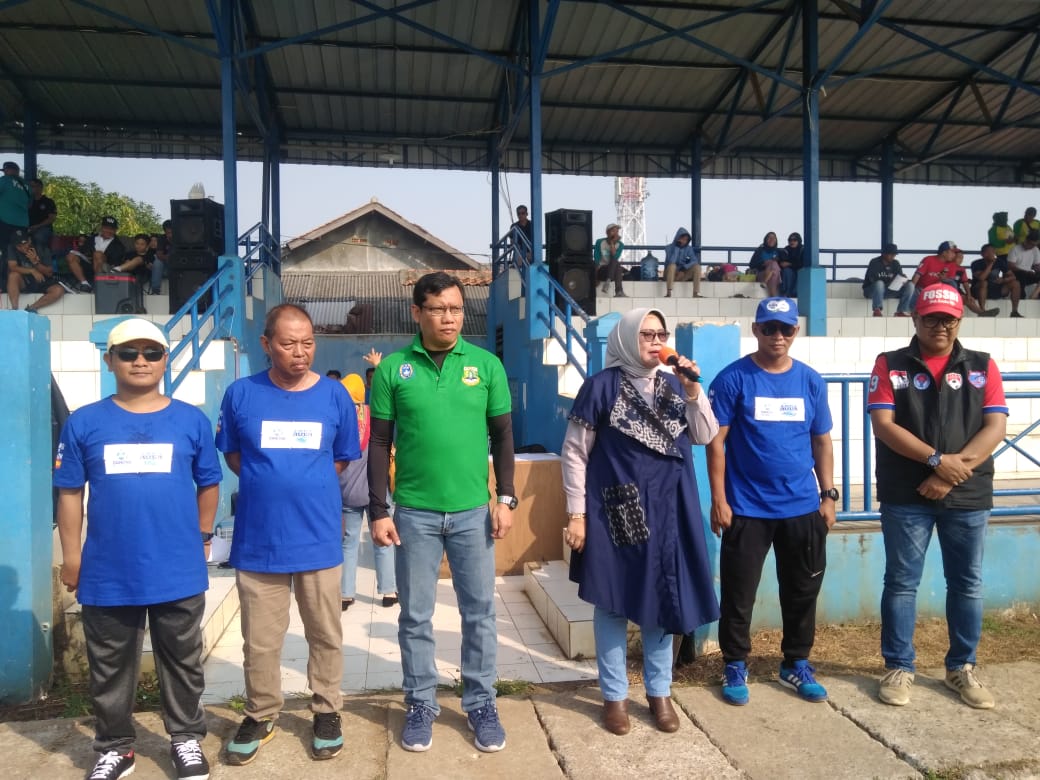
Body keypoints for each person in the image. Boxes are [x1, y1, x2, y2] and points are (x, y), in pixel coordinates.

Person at [54, 318, 222, 780]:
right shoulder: (84, 422)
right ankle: (114, 747)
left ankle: (186, 739)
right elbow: (69, 492)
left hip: (176, 567)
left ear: (166, 359)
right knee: (109, 665)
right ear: (110, 361)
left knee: (183, 661)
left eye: (151, 352)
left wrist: (202, 536)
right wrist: (73, 557)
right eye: (128, 353)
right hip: (108, 569)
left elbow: (209, 483)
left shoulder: (190, 420)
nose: (141, 361)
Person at [367, 271, 514, 754]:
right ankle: (422, 703)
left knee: (480, 613)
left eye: (456, 308)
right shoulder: (393, 371)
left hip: (473, 511)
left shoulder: (486, 365)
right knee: (415, 616)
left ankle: (480, 703)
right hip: (414, 513)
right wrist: (378, 510)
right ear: (417, 312)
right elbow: (380, 443)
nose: (449, 317)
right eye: (438, 309)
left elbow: (503, 436)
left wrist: (506, 498)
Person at [561, 307, 720, 735]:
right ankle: (614, 696)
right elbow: (575, 454)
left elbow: (705, 434)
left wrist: (692, 390)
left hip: (672, 508)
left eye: (661, 333)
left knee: (664, 598)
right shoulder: (600, 387)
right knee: (613, 601)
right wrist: (577, 515)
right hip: (619, 507)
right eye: (647, 334)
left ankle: (659, 692)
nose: (655, 341)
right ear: (628, 338)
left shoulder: (675, 385)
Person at [215, 303, 361, 766]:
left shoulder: (335, 395)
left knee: (325, 633)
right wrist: (271, 482)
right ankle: (260, 713)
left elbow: (340, 458)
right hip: (259, 539)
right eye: (288, 343)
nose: (300, 353)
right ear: (266, 344)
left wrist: (303, 483)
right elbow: (234, 456)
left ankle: (326, 710)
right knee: (260, 638)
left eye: (308, 343)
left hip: (318, 535)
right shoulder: (241, 395)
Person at [867, 284, 1008, 710]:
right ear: (915, 318)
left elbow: (995, 427)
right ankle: (899, 666)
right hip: (905, 494)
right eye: (931, 318)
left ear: (960, 320)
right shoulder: (890, 364)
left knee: (966, 584)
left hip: (966, 494)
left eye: (949, 319)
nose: (940, 326)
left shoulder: (982, 365)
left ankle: (962, 667)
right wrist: (934, 460)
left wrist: (948, 474)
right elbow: (883, 425)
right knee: (902, 583)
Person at [706, 297, 836, 706]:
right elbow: (717, 442)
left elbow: (821, 441)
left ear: (795, 332)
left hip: (802, 507)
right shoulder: (733, 378)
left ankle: (796, 663)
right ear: (756, 329)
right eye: (769, 328)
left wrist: (828, 495)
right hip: (746, 508)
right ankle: (734, 662)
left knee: (801, 591)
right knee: (740, 592)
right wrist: (719, 499)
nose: (777, 336)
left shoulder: (811, 381)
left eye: (786, 329)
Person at [339, 372, 397, 611]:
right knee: (383, 540)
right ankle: (388, 591)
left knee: (348, 543)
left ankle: (345, 594)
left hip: (347, 492)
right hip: (376, 493)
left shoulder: (339, 419)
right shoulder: (374, 418)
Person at [910, 241, 998, 316]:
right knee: (913, 290)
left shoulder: (952, 265)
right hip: (923, 290)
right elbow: (917, 276)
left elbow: (955, 283)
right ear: (944, 253)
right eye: (952, 252)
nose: (954, 255)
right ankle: (912, 312)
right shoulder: (928, 259)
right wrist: (911, 288)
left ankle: (982, 313)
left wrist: (968, 294)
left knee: (955, 287)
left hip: (939, 292)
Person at [6, 228, 65, 313]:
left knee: (59, 290)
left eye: (24, 243)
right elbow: (13, 267)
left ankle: (31, 308)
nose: (23, 248)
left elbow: (49, 273)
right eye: (19, 246)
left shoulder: (41, 248)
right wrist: (32, 270)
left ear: (29, 240)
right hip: (25, 280)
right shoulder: (12, 248)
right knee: (13, 275)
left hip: (43, 280)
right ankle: (14, 310)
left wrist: (36, 262)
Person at [67, 216, 127, 292]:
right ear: (101, 228)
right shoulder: (91, 238)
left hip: (105, 269)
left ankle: (98, 285)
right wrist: (86, 255)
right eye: (106, 228)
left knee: (98, 254)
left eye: (111, 229)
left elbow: (116, 263)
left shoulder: (118, 245)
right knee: (71, 256)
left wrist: (99, 257)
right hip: (88, 266)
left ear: (115, 230)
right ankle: (85, 284)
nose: (108, 231)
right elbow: (82, 251)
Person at [862, 243, 914, 317]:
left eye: (894, 255)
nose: (893, 256)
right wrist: (890, 280)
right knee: (880, 284)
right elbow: (872, 280)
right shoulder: (875, 262)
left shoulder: (896, 263)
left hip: (889, 290)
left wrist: (903, 280)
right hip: (872, 291)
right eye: (891, 254)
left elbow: (899, 279)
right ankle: (877, 310)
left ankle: (902, 311)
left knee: (910, 285)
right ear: (884, 254)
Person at [971, 243, 1023, 317]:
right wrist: (991, 263)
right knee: (984, 283)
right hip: (979, 290)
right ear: (982, 254)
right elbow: (981, 278)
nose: (990, 254)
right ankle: (982, 311)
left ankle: (1014, 311)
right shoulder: (976, 263)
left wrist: (1003, 280)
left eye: (992, 251)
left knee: (1015, 283)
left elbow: (1013, 276)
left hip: (995, 289)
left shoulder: (999, 262)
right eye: (987, 252)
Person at [0, 161, 29, 269]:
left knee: (6, 251)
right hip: (22, 224)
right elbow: (29, 203)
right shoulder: (26, 185)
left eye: (5, 170)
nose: (4, 173)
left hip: (5, 222)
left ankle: (4, 280)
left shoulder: (4, 180)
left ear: (11, 170)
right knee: (21, 250)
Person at [27, 177, 57, 264]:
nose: (31, 188)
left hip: (43, 229)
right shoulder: (27, 202)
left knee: (38, 238)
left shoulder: (48, 201)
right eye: (30, 186)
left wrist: (37, 226)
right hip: (28, 228)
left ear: (40, 187)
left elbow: (52, 218)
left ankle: (42, 266)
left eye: (33, 186)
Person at [663, 227, 700, 298]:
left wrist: (684, 268)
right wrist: (677, 247)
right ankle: (669, 292)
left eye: (686, 240)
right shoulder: (669, 247)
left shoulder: (688, 248)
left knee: (697, 267)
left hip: (681, 274)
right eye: (682, 239)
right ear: (678, 238)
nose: (684, 241)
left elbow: (695, 260)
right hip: (669, 275)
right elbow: (671, 261)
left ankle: (696, 293)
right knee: (672, 266)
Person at [594, 223, 626, 297]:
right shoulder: (600, 242)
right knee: (618, 265)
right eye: (613, 231)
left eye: (617, 232)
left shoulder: (620, 244)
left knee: (616, 264)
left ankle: (608, 282)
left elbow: (615, 257)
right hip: (602, 270)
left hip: (612, 272)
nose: (615, 234)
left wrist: (612, 243)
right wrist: (595, 277)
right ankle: (619, 291)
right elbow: (596, 259)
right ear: (607, 233)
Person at [1007, 230, 1040, 297]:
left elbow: (1037, 266)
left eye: (1034, 245)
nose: (1032, 246)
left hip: (1028, 274)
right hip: (1016, 274)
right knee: (1021, 274)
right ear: (1026, 241)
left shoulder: (1035, 250)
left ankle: (1035, 296)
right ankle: (1021, 297)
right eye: (1031, 244)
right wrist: (1026, 272)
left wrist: (1036, 270)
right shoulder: (1015, 249)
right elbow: (1011, 266)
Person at [748, 232, 781, 297]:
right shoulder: (760, 250)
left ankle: (765, 282)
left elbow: (782, 264)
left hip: (775, 274)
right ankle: (773, 296)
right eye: (769, 237)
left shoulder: (779, 252)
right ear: (765, 239)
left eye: (773, 238)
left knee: (774, 266)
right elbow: (751, 264)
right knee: (773, 267)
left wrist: (771, 263)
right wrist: (764, 263)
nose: (771, 239)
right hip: (762, 273)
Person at [778, 232, 804, 297]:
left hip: (799, 272)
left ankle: (795, 293)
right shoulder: (786, 249)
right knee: (787, 271)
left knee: (801, 272)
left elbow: (802, 264)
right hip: (789, 273)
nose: (792, 242)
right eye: (790, 240)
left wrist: (790, 264)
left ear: (799, 241)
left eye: (795, 240)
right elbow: (781, 261)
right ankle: (787, 293)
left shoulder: (803, 250)